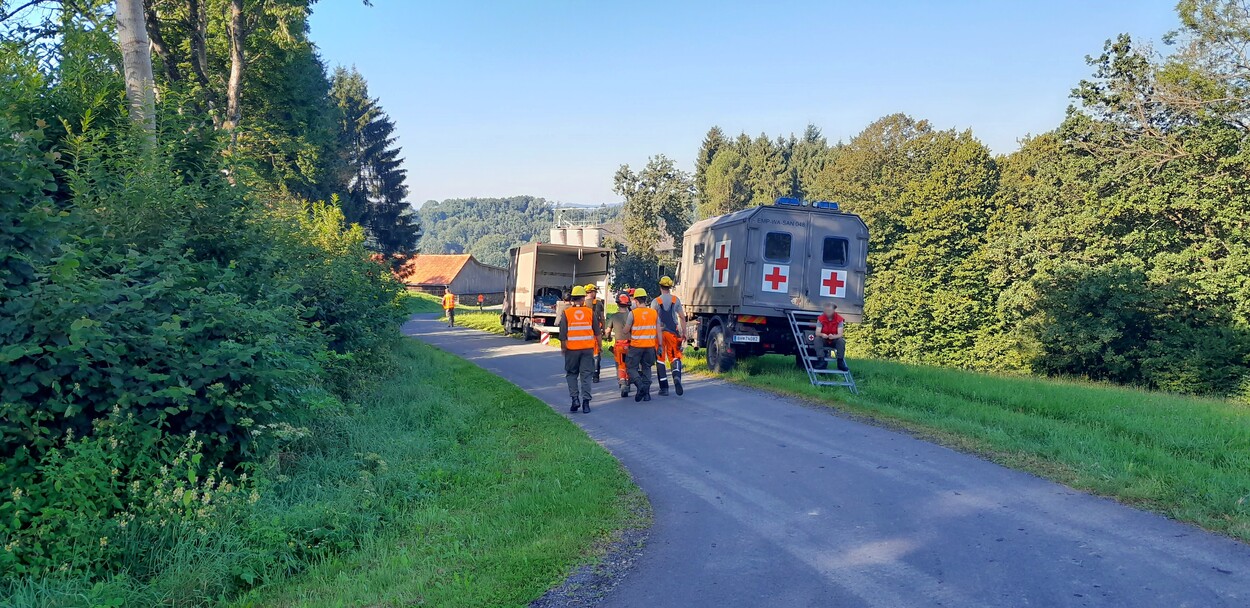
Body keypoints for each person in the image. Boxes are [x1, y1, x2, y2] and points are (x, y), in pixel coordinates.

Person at [558, 285, 600, 413]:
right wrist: (600, 346)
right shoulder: (590, 312)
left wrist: (563, 348)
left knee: (571, 374)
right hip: (587, 349)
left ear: (572, 299)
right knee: (586, 376)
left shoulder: (566, 313)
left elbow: (562, 334)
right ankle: (586, 404)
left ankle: (575, 399)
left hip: (572, 350)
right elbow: (597, 332)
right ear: (582, 299)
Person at [651, 276, 685, 396]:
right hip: (672, 333)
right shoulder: (676, 300)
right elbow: (682, 317)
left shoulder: (655, 302)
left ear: (660, 286)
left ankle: (664, 388)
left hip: (659, 334)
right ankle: (676, 377)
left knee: (660, 360)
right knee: (675, 357)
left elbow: (652, 320)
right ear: (670, 287)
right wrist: (683, 333)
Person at [624, 288, 659, 402]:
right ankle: (647, 394)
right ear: (645, 299)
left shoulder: (633, 313)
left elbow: (625, 330)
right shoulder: (653, 312)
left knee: (631, 368)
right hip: (650, 346)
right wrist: (661, 346)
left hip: (636, 346)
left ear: (635, 301)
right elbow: (658, 330)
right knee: (647, 368)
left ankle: (640, 386)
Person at [604, 292, 633, 397]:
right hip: (631, 345)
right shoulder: (632, 315)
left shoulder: (613, 317)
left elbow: (607, 331)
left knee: (620, 365)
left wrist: (608, 338)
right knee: (629, 365)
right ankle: (628, 382)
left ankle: (623, 383)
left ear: (617, 303)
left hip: (619, 345)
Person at [814, 302, 849, 371]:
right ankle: (821, 360)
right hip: (824, 338)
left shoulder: (839, 319)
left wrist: (833, 337)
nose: (828, 312)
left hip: (834, 339)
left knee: (841, 341)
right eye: (826, 310)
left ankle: (840, 362)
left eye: (830, 310)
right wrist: (822, 335)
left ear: (833, 310)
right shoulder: (821, 318)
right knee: (817, 339)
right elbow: (817, 332)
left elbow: (840, 334)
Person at [584, 283, 606, 383]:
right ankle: (596, 375)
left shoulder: (581, 303)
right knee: (596, 354)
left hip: (583, 332)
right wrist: (604, 330)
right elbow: (602, 317)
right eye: (595, 292)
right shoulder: (598, 303)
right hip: (595, 331)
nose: (595, 293)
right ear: (592, 292)